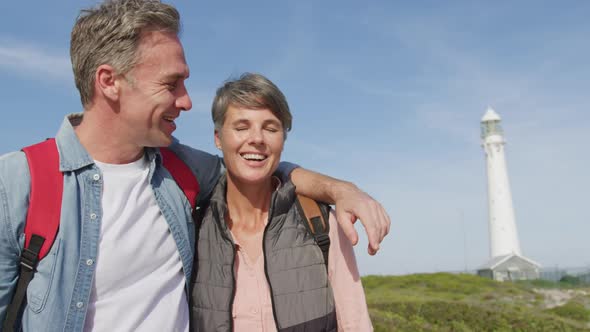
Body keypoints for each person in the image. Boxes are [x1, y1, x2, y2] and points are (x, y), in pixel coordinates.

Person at [0, 0, 389, 331]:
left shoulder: (182, 170)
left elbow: (258, 169)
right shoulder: (17, 184)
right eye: (172, 84)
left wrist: (343, 191)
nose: (187, 102)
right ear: (109, 81)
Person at [190, 73, 372, 331]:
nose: (257, 139)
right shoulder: (192, 232)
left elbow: (355, 324)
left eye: (271, 128)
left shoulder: (320, 222)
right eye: (241, 127)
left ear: (283, 141)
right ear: (218, 138)